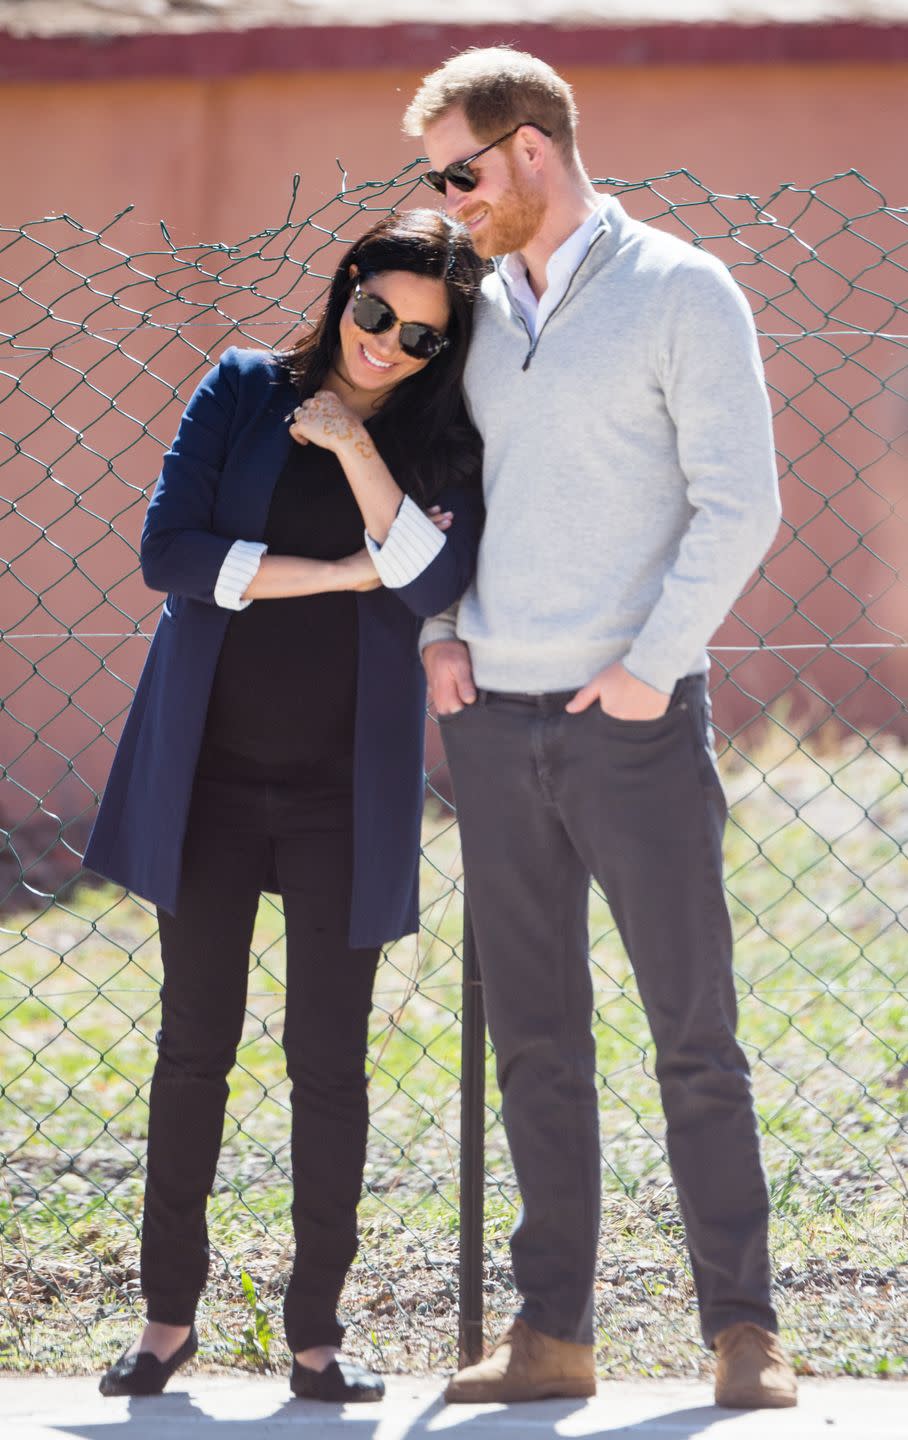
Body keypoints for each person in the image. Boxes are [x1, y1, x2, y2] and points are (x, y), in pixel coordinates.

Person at [403, 49, 798, 1410]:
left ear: (530, 149)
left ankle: (742, 1328)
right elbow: (441, 491)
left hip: (631, 721)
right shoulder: (465, 309)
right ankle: (553, 1332)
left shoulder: (684, 290)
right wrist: (437, 631)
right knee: (536, 1039)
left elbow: (739, 502)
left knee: (694, 1029)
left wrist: (649, 667)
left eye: (459, 173)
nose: (446, 202)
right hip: (495, 728)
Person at [83, 210, 485, 1403]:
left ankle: (315, 1332)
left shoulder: (431, 437)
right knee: (191, 1045)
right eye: (376, 314)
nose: (388, 345)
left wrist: (355, 450)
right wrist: (345, 570)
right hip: (206, 773)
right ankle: (165, 1319)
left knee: (328, 1061)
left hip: (338, 789)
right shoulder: (242, 389)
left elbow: (438, 578)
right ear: (344, 288)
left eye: (420, 337)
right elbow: (169, 554)